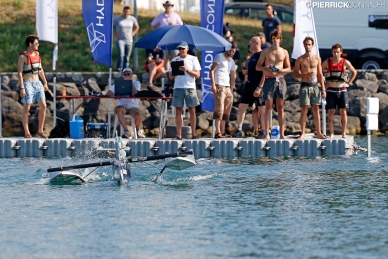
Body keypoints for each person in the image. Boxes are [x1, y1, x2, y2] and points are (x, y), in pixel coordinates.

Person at [255, 30, 291, 140]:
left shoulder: (284, 52)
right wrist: (265, 68)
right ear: (271, 39)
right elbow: (257, 67)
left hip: (280, 79)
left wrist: (282, 69)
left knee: (280, 107)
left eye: (277, 37)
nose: (275, 39)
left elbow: (289, 68)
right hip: (269, 79)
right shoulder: (265, 52)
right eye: (274, 37)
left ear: (280, 39)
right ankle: (266, 134)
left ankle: (282, 134)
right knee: (268, 108)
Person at [292, 37, 327, 139]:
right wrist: (305, 74)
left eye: (309, 44)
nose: (307, 46)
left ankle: (319, 132)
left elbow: (320, 74)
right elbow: (294, 74)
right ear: (304, 45)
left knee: (316, 109)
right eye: (306, 44)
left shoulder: (317, 58)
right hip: (305, 85)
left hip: (315, 86)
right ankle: (302, 133)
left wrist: (323, 89)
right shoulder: (300, 59)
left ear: (312, 45)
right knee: (304, 109)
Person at [322, 43, 357, 138]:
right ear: (332, 52)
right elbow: (319, 72)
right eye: (334, 52)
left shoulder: (345, 62)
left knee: (343, 111)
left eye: (337, 52)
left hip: (342, 90)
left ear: (341, 52)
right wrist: (324, 84)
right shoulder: (327, 62)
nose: (336, 54)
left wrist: (349, 83)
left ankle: (343, 133)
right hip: (331, 90)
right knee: (331, 111)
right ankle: (331, 133)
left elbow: (354, 72)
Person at [167, 41, 201, 140]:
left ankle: (194, 134)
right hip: (178, 87)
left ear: (187, 49)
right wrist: (176, 71)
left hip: (190, 87)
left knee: (192, 110)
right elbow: (170, 77)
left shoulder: (193, 59)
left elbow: (197, 75)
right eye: (180, 49)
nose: (181, 50)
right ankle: (178, 134)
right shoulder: (174, 60)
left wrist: (187, 70)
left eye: (183, 48)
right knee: (178, 111)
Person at [233, 36, 264, 138]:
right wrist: (245, 71)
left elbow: (265, 73)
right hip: (249, 85)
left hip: (258, 85)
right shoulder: (251, 56)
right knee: (242, 107)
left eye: (250, 43)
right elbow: (248, 70)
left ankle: (263, 131)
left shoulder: (262, 55)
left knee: (261, 109)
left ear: (256, 43)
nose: (248, 46)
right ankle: (239, 129)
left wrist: (260, 87)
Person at [17, 35, 48, 139]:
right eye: (36, 43)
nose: (38, 45)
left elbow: (40, 69)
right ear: (30, 44)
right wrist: (22, 87)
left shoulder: (37, 54)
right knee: (27, 107)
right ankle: (27, 132)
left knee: (43, 105)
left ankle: (40, 130)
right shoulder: (23, 57)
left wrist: (45, 82)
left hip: (37, 82)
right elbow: (20, 73)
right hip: (27, 83)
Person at [106, 68, 145, 139]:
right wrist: (115, 96)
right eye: (125, 74)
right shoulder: (118, 84)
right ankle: (126, 131)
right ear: (123, 75)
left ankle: (138, 130)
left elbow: (136, 93)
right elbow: (108, 93)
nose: (126, 75)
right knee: (119, 109)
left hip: (133, 107)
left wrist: (130, 83)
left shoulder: (136, 83)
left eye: (128, 74)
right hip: (122, 106)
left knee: (138, 115)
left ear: (131, 75)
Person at [210, 42, 237, 138]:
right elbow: (212, 70)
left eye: (233, 51)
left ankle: (223, 131)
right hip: (219, 85)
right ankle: (218, 132)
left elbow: (233, 74)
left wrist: (232, 87)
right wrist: (213, 84)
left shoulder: (232, 61)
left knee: (226, 110)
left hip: (227, 87)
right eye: (231, 50)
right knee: (219, 108)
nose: (232, 52)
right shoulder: (219, 56)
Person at [151, 1, 183, 70]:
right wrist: (157, 33)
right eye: (166, 6)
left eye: (169, 6)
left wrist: (174, 25)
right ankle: (167, 73)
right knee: (166, 57)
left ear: (171, 7)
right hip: (164, 39)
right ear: (164, 6)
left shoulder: (175, 15)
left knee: (175, 55)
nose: (167, 7)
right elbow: (153, 24)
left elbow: (181, 25)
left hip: (174, 39)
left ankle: (176, 72)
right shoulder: (160, 16)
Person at [113, 6, 140, 71]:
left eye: (128, 11)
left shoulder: (132, 19)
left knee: (127, 56)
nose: (126, 13)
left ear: (130, 12)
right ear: (123, 11)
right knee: (121, 54)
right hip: (120, 39)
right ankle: (119, 67)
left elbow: (137, 26)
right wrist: (114, 34)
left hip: (129, 40)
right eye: (125, 11)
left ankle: (126, 68)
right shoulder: (118, 18)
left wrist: (133, 33)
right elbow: (110, 26)